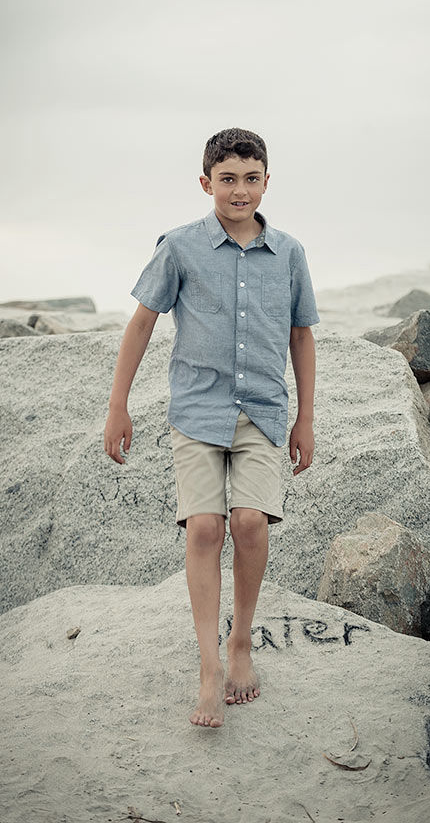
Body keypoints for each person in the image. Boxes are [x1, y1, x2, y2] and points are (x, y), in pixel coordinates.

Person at [104, 127, 319, 729]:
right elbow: (142, 323)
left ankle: (241, 642)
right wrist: (117, 405)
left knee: (250, 522)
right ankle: (207, 669)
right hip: (198, 412)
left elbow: (302, 336)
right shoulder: (179, 247)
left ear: (267, 182)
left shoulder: (292, 254)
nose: (240, 190)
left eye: (251, 178)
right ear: (206, 184)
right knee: (204, 527)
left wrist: (306, 417)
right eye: (227, 179)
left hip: (264, 412)